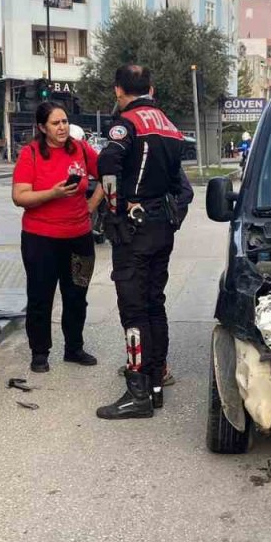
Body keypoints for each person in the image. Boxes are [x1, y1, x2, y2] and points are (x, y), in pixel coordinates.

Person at [94, 64, 192, 420]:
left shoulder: (127, 123)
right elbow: (184, 189)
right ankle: (154, 383)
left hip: (134, 231)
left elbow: (108, 162)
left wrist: (116, 211)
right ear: (151, 87)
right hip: (160, 228)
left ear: (119, 90)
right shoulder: (169, 126)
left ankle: (137, 391)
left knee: (133, 308)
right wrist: (170, 217)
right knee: (155, 304)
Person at [11, 102, 102, 373]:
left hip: (79, 237)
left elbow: (109, 175)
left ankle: (74, 348)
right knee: (41, 296)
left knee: (77, 295)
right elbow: (19, 196)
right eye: (55, 123)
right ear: (42, 127)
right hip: (41, 239)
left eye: (64, 122)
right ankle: (40, 352)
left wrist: (92, 205)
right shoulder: (30, 154)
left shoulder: (81, 149)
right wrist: (53, 193)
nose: (62, 127)